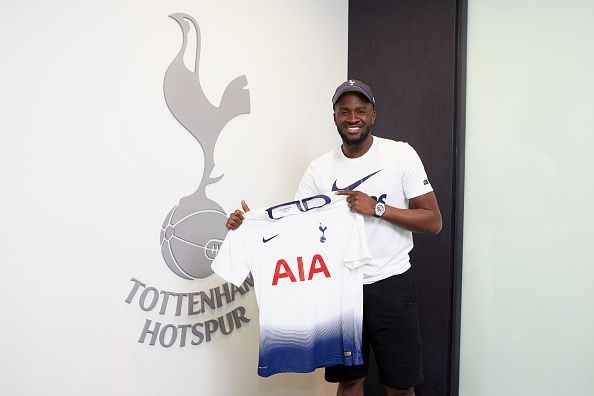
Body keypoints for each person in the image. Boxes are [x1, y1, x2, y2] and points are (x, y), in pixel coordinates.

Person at [226, 79, 442, 396]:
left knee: (399, 384)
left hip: (390, 284)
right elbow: (294, 226)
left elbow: (432, 220)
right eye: (344, 112)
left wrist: (378, 208)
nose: (352, 118)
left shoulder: (400, 155)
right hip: (340, 287)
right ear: (335, 117)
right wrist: (249, 223)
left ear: (373, 115)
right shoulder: (320, 170)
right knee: (349, 381)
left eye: (360, 111)